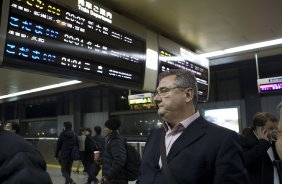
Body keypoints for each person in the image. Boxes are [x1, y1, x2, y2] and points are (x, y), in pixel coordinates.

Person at [137, 69, 249, 184]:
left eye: (164, 91)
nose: (156, 98)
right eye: (157, 92)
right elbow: (143, 175)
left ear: (188, 95)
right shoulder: (154, 135)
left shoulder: (222, 139)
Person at [241, 112, 281, 184]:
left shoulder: (274, 141)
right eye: (271, 128)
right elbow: (244, 161)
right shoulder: (244, 140)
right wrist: (263, 144)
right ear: (259, 128)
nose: (274, 131)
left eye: (275, 128)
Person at [101, 118, 127, 184]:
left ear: (111, 129)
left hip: (116, 179)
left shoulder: (116, 141)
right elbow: (111, 157)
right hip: (113, 178)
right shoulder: (111, 139)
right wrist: (101, 160)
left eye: (106, 127)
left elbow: (119, 160)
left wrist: (108, 176)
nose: (104, 129)